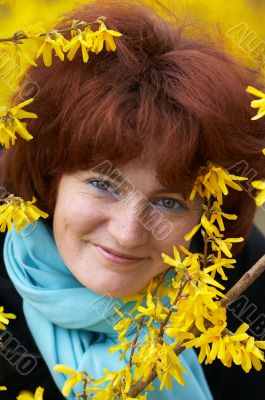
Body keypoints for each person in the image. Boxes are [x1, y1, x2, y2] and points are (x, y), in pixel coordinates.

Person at [0, 0, 265, 399]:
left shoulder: (245, 298)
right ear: (50, 177)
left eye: (170, 202)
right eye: (104, 185)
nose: (126, 235)